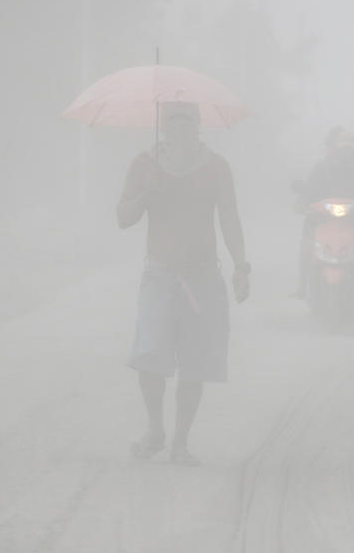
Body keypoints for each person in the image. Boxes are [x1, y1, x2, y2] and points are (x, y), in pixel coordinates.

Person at [117, 101, 249, 466]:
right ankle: (156, 429)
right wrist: (146, 192)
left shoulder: (216, 167)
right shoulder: (145, 165)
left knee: (196, 363)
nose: (179, 129)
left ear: (197, 127)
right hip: (160, 274)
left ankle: (181, 442)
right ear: (162, 128)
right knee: (149, 357)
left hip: (203, 275)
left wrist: (241, 265)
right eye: (172, 122)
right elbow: (123, 218)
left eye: (186, 122)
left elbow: (230, 217)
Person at [292, 126, 354, 301]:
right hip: (324, 219)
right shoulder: (322, 168)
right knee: (307, 241)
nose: (346, 152)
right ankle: (302, 286)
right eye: (342, 148)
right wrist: (302, 203)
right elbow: (310, 189)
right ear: (334, 149)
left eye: (349, 148)